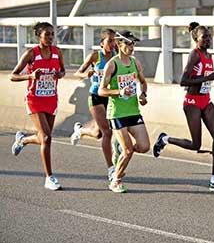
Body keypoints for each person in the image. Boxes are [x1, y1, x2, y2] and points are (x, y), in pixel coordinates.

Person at [152, 22, 214, 193]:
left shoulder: (209, 56)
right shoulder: (194, 55)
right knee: (196, 144)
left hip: (206, 100)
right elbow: (184, 81)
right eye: (205, 37)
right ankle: (165, 139)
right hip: (192, 103)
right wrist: (212, 76)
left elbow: (205, 78)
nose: (208, 39)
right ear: (196, 39)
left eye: (210, 36)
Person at [10, 22, 65, 190]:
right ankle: (49, 177)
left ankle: (23, 139)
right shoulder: (31, 54)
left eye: (52, 34)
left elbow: (62, 71)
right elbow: (13, 75)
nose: (50, 37)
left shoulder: (57, 52)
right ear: (39, 36)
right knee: (47, 138)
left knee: (43, 137)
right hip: (34, 100)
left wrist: (59, 74)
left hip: (51, 99)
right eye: (46, 34)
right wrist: (31, 76)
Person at [98, 30, 150, 193]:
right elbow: (101, 91)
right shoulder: (112, 64)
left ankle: (120, 150)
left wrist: (143, 94)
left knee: (144, 146)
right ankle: (116, 180)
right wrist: (119, 92)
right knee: (128, 151)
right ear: (119, 45)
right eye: (128, 43)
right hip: (117, 113)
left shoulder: (135, 63)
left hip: (133, 111)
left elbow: (143, 82)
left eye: (133, 43)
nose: (132, 46)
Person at [71, 29, 116, 181]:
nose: (112, 43)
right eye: (109, 41)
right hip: (96, 96)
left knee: (98, 134)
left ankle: (80, 131)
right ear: (101, 43)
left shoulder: (117, 56)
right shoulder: (95, 56)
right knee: (107, 133)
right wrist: (86, 75)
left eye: (114, 40)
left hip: (111, 96)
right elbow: (77, 73)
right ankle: (111, 169)